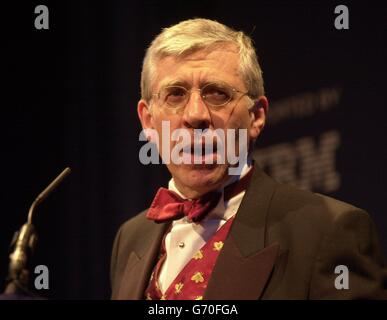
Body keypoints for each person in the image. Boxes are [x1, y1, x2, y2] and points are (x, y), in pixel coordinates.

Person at [110, 18, 387, 300]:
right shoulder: (131, 237)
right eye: (175, 94)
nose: (195, 115)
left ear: (256, 116)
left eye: (218, 93)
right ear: (148, 121)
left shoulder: (328, 230)